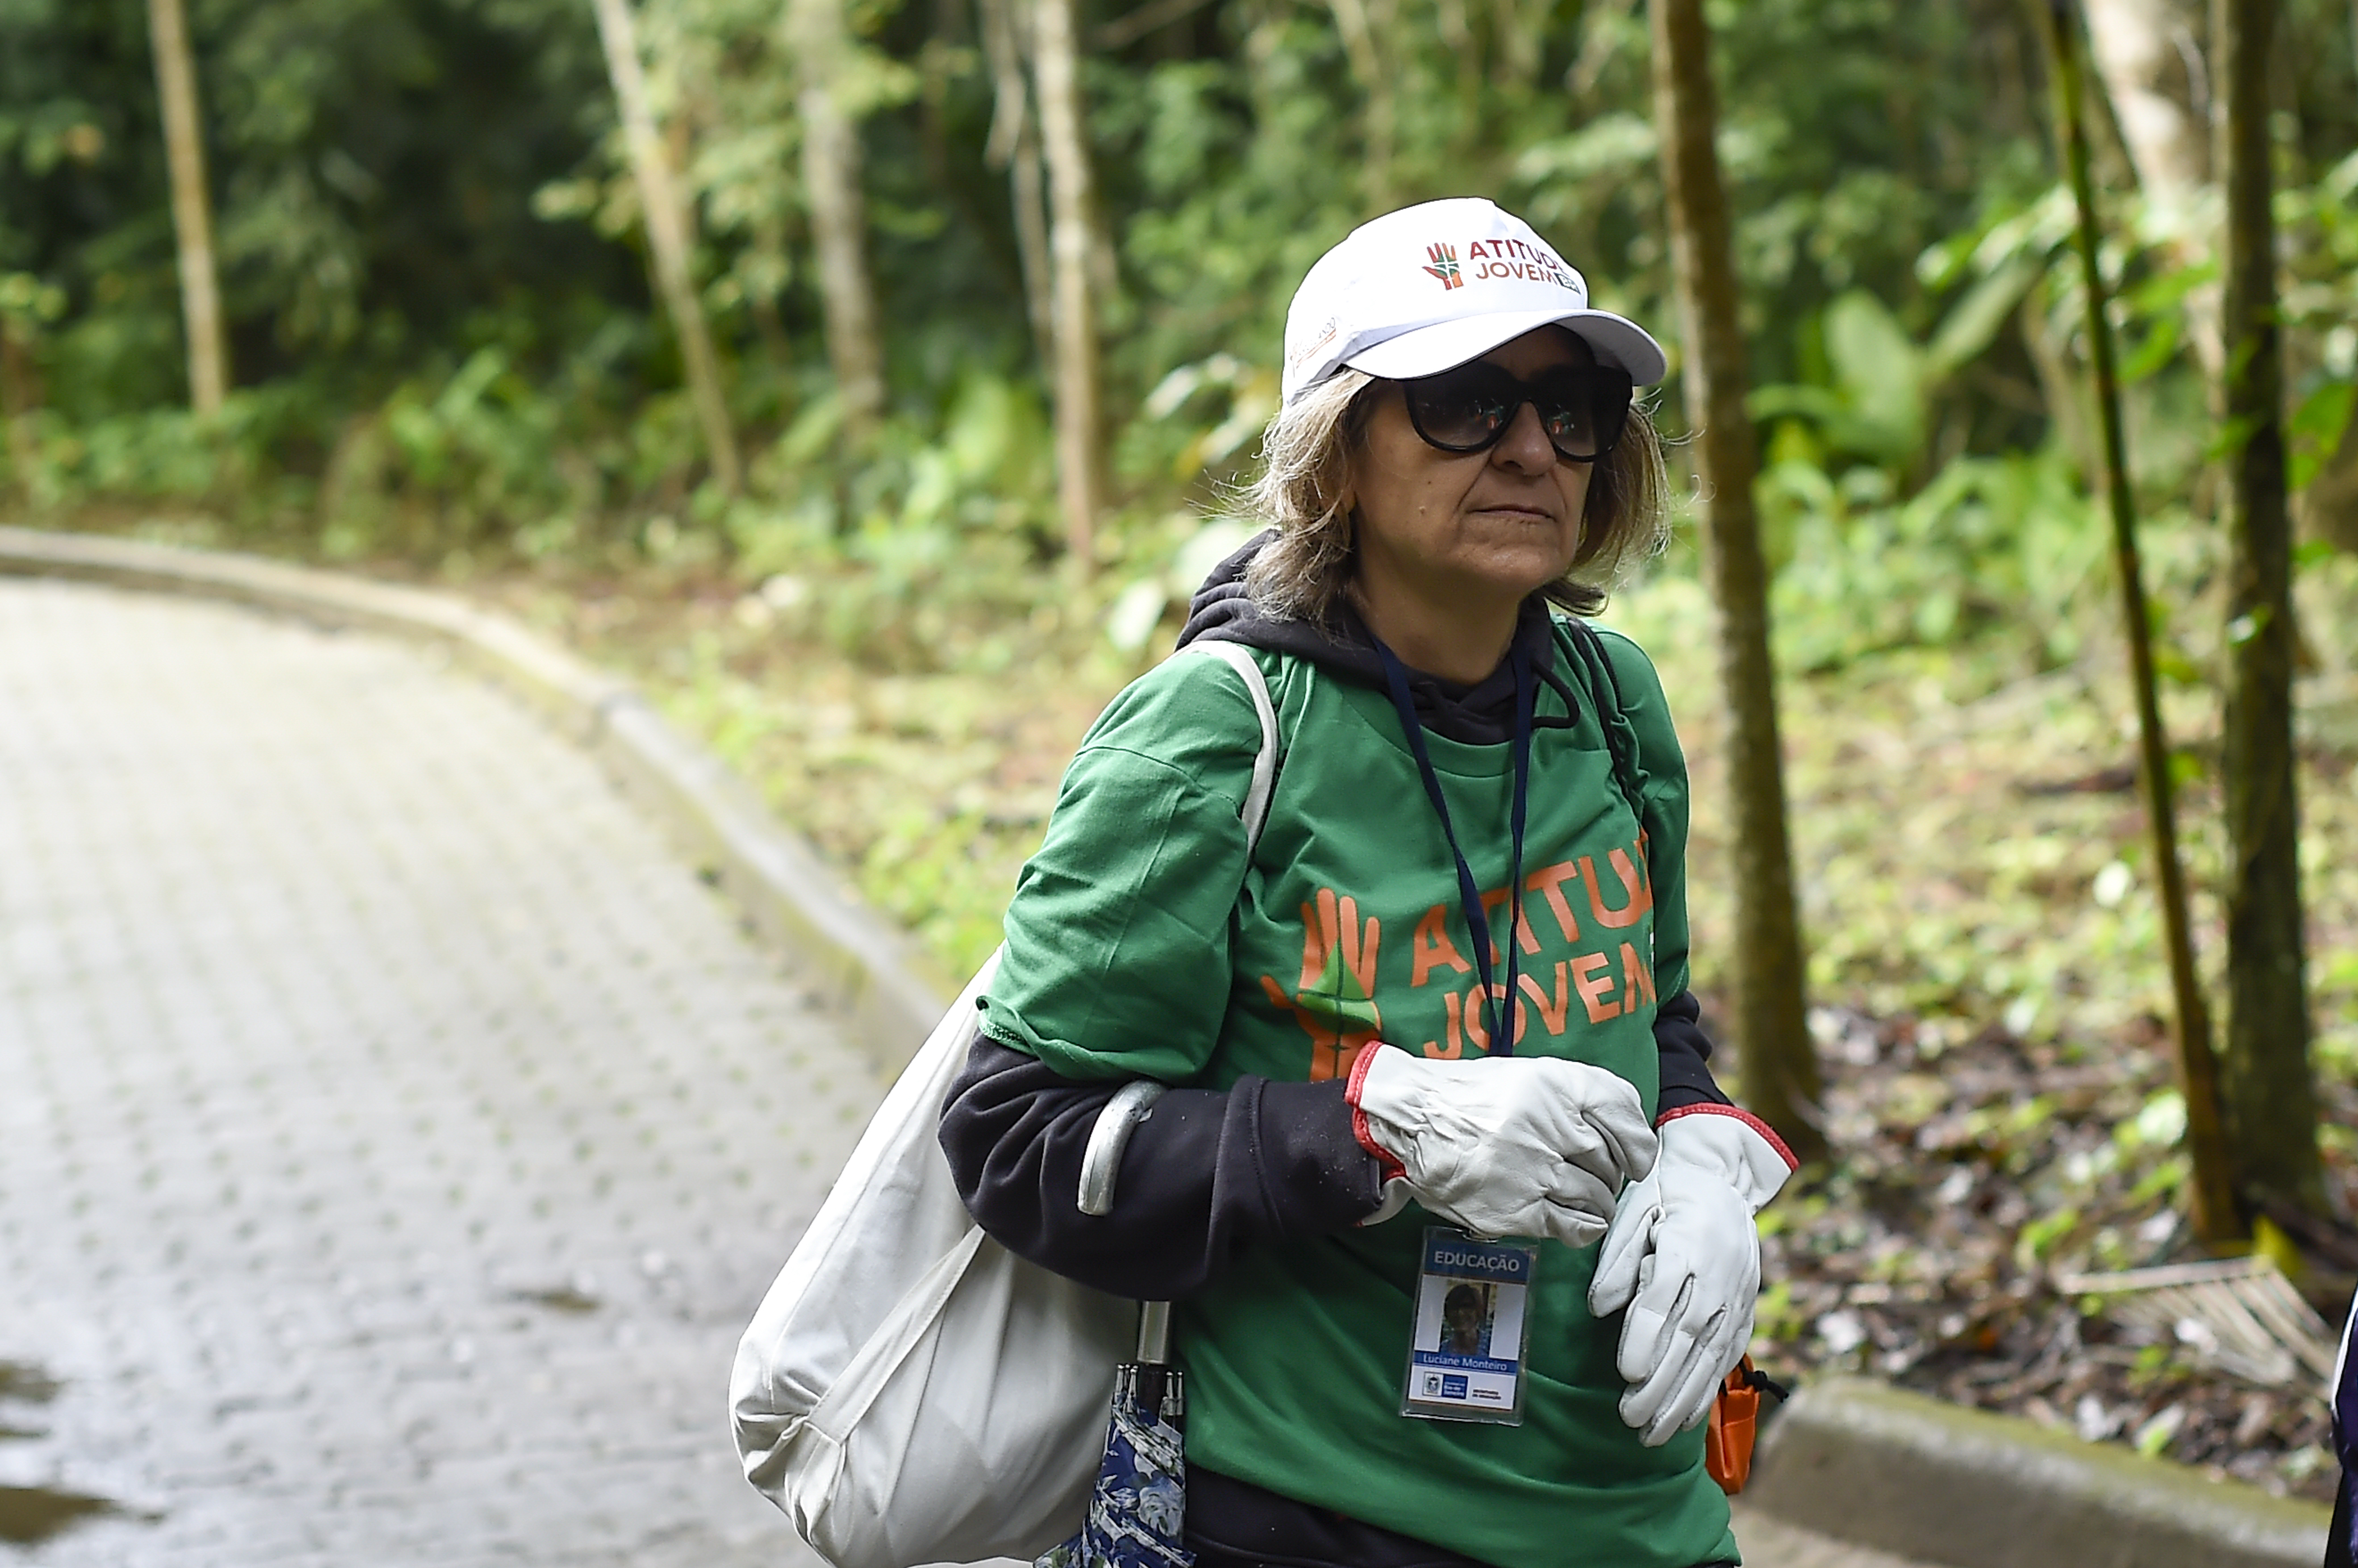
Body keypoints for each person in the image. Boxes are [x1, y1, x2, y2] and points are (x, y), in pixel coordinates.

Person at [941, 196, 1795, 1568]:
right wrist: (1373, 1129)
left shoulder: (1613, 703)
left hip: (1643, 1514)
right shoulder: (1214, 735)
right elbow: (1020, 1138)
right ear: (1337, 448)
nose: (1531, 446)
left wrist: (1705, 1151)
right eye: (1465, 400)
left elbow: (1656, 1013)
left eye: (1570, 407)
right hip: (1320, 1516)